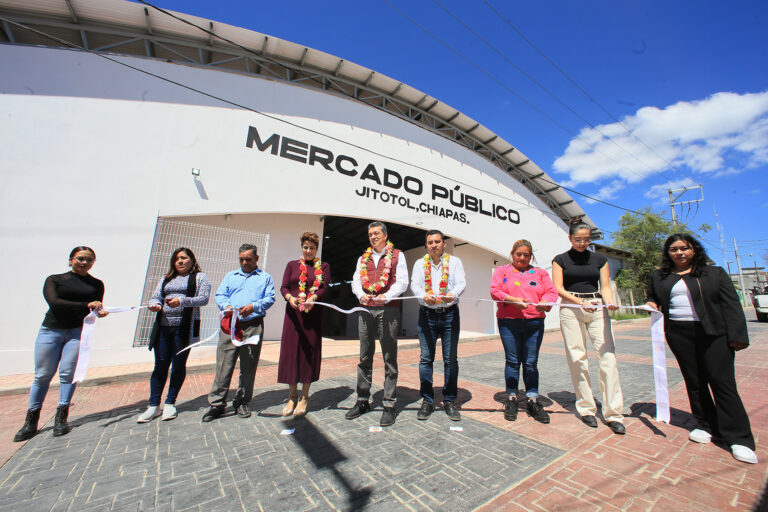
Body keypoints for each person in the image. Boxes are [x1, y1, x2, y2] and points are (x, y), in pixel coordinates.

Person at [645, 233, 757, 464]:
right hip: (679, 335)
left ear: (694, 249)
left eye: (684, 248)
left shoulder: (713, 273)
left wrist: (737, 336)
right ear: (668, 253)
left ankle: (739, 439)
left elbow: (731, 305)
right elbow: (653, 297)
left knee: (722, 383)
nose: (679, 253)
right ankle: (705, 424)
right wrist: (651, 304)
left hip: (714, 334)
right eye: (674, 249)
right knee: (694, 382)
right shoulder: (660, 276)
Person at [14, 246, 108, 442]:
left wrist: (100, 312)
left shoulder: (96, 284)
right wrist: (86, 305)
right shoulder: (55, 279)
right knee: (42, 374)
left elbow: (95, 307)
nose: (84, 262)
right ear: (71, 259)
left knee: (68, 374)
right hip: (51, 331)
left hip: (76, 332)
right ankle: (31, 420)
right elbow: (54, 302)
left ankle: (61, 418)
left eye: (89, 260)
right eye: (81, 258)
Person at [552, 219, 625, 434]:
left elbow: (605, 286)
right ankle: (586, 408)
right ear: (570, 238)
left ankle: (613, 413)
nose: (582, 243)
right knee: (577, 357)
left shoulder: (600, 259)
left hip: (597, 306)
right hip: (571, 308)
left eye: (586, 239)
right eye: (578, 239)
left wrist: (609, 301)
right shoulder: (560, 260)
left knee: (607, 357)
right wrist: (579, 301)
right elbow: (558, 288)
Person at [202, 244, 275, 422]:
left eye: (248, 259)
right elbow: (220, 295)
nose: (244, 262)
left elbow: (270, 298)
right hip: (230, 325)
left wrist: (253, 307)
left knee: (248, 367)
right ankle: (217, 404)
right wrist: (227, 306)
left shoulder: (265, 278)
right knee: (223, 365)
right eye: (241, 259)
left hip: (253, 326)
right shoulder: (230, 276)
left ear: (256, 259)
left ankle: (242, 401)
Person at [137, 248, 210, 423]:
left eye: (184, 258)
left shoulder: (200, 277)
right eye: (177, 259)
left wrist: (182, 301)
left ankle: (170, 402)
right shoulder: (166, 278)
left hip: (184, 329)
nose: (180, 261)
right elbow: (155, 297)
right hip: (164, 327)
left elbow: (204, 298)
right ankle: (153, 405)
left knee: (178, 365)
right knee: (160, 365)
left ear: (192, 260)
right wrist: (154, 304)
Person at [347, 221, 408, 427]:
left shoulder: (398, 254)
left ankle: (389, 404)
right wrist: (361, 294)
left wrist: (387, 296)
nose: (373, 237)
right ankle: (362, 400)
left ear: (385, 235)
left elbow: (402, 281)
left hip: (388, 309)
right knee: (364, 355)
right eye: (370, 234)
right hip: (366, 309)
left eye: (376, 233)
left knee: (389, 355)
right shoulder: (363, 258)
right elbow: (356, 280)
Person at [490, 239, 558, 424]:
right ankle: (511, 397)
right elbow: (494, 291)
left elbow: (552, 292)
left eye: (526, 255)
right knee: (512, 361)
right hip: (508, 322)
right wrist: (512, 299)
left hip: (534, 322)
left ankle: (532, 400)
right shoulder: (502, 271)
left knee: (530, 362)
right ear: (512, 254)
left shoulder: (540, 273)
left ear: (531, 256)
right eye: (518, 254)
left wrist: (546, 303)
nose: (522, 258)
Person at [410, 230, 466, 421]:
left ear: (444, 244)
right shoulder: (419, 264)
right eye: (430, 242)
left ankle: (449, 400)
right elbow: (415, 286)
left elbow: (461, 284)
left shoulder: (455, 262)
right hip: (427, 315)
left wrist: (453, 294)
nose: (434, 245)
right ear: (426, 246)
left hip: (450, 315)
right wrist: (423, 297)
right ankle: (427, 400)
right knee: (426, 359)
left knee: (450, 359)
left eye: (437, 241)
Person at [279, 232, 331, 418]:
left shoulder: (323, 266)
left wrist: (313, 298)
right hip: (293, 315)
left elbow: (324, 287)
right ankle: (292, 396)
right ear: (301, 247)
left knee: (308, 354)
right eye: (305, 247)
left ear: (317, 249)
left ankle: (304, 397)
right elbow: (284, 286)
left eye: (312, 248)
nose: (308, 251)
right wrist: (290, 298)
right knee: (291, 354)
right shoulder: (292, 265)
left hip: (312, 316)